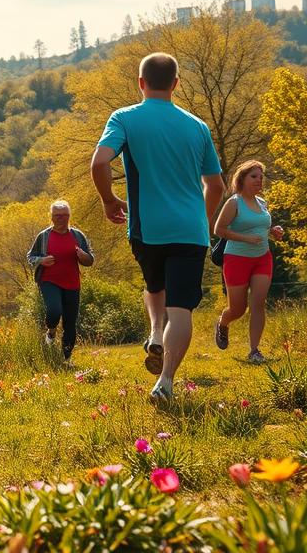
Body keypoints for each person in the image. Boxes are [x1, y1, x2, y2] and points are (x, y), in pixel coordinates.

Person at [91, 53, 224, 404]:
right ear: (176, 84)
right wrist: (204, 221)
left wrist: (108, 200)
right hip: (190, 231)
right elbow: (217, 185)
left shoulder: (124, 118)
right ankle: (165, 382)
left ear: (141, 83)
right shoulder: (198, 126)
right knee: (181, 308)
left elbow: (100, 162)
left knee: (154, 285)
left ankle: (154, 330)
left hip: (147, 229)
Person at [213, 160, 285, 363]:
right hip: (236, 259)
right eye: (254, 176)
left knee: (258, 303)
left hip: (262, 258)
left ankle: (254, 351)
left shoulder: (262, 203)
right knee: (238, 309)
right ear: (242, 179)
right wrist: (245, 239)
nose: (259, 180)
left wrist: (273, 231)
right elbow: (219, 230)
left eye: (261, 177)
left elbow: (260, 226)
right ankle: (223, 322)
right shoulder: (234, 202)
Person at [25, 200, 95, 364]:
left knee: (70, 323)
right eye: (57, 215)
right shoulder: (44, 236)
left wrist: (84, 256)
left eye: (64, 215)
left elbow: (90, 259)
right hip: (49, 281)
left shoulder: (78, 236)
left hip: (72, 284)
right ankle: (50, 331)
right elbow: (30, 257)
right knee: (54, 311)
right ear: (51, 217)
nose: (61, 218)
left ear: (69, 216)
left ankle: (67, 359)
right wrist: (41, 260)